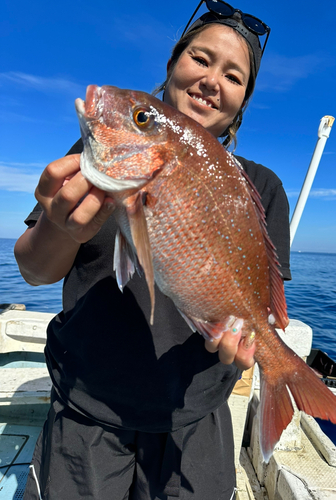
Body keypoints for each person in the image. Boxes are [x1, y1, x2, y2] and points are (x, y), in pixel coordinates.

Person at [15, 1, 291, 499]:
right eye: (200, 59)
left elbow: (261, 298)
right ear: (171, 66)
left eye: (233, 75)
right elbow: (33, 270)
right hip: (86, 408)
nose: (211, 80)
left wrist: (255, 338)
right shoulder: (93, 156)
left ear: (243, 100)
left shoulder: (262, 187)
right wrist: (59, 228)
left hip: (194, 418)